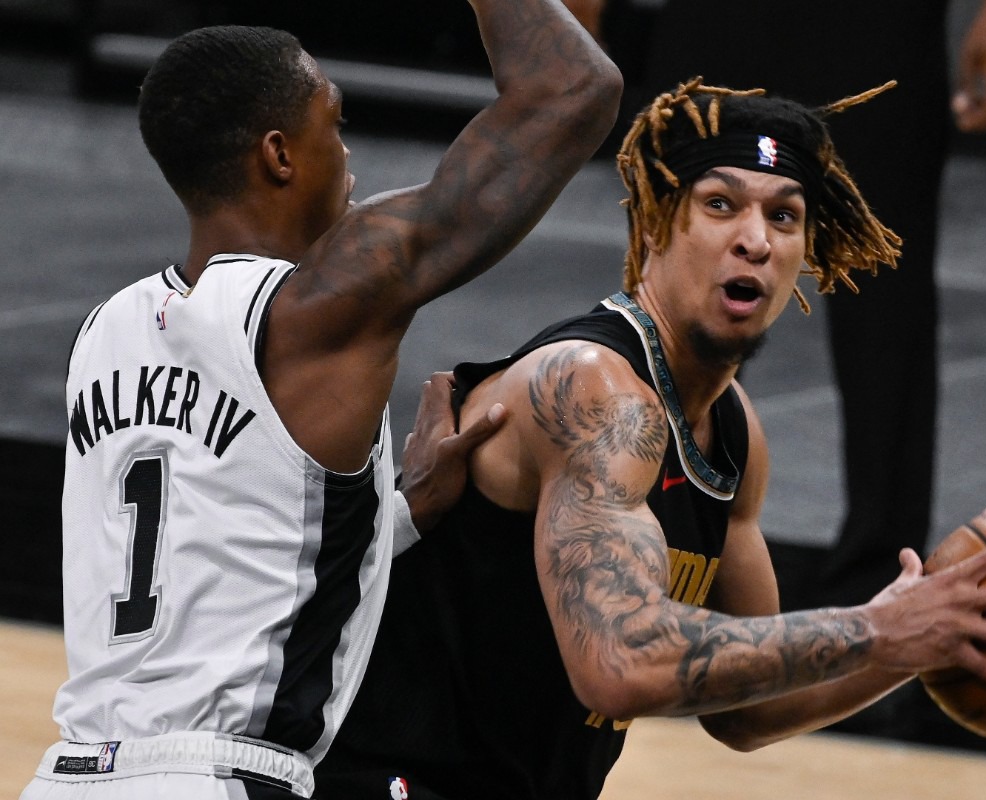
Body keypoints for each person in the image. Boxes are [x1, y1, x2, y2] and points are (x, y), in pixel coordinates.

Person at [315, 79, 986, 800]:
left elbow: (749, 710)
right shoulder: (598, 393)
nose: (755, 241)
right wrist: (874, 626)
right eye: (720, 205)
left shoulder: (730, 429)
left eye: (784, 216)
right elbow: (618, 664)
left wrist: (914, 643)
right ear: (653, 222)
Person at [23, 8, 620, 800]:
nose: (346, 155)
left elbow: (200, 542)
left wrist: (393, 514)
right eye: (332, 125)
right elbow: (574, 90)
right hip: (218, 779)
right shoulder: (316, 307)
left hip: (68, 774)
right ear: (278, 155)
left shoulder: (103, 334)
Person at [618, 0, 986, 606]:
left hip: (874, 24)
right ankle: (638, 540)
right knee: (679, 267)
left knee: (884, 293)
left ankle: (881, 583)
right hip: (718, 19)